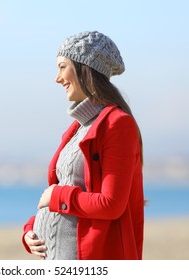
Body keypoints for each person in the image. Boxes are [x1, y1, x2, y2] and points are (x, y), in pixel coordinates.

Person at [22, 31, 144, 260]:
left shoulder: (117, 124)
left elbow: (111, 203)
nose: (57, 78)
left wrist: (57, 196)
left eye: (62, 67)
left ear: (84, 68)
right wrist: (31, 230)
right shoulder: (77, 128)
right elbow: (68, 189)